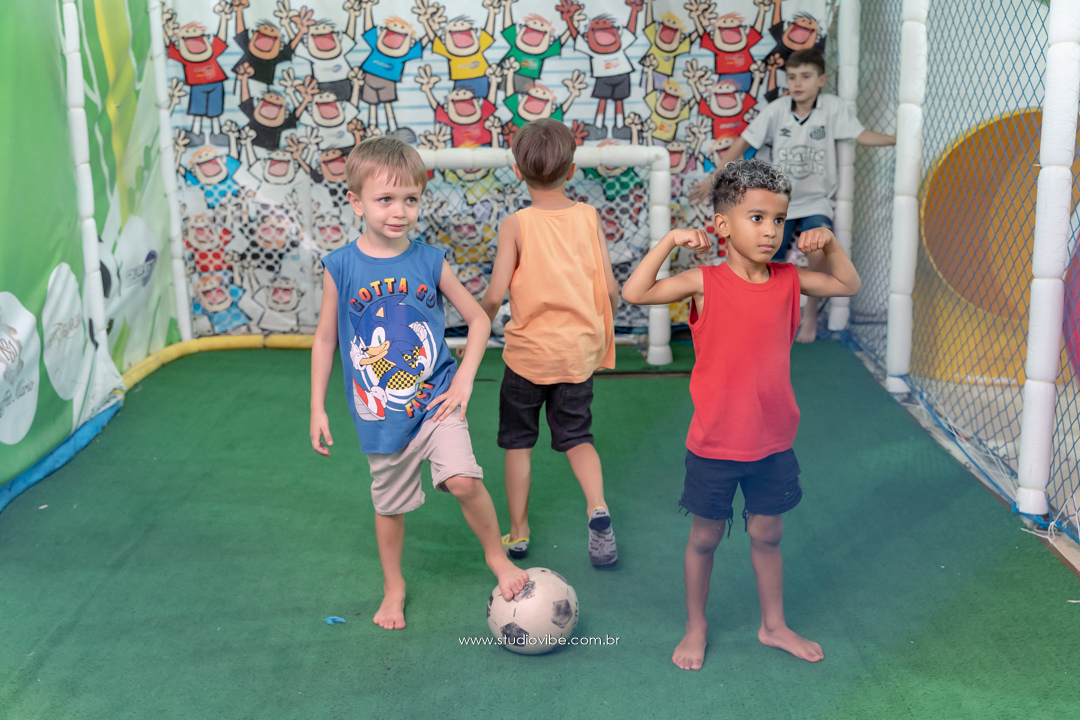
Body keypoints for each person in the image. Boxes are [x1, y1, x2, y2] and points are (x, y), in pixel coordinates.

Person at [621, 158, 861, 670]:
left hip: (773, 441)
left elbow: (847, 284)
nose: (771, 231)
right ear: (723, 225)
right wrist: (670, 241)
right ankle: (696, 626)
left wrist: (830, 244)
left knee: (767, 534)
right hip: (715, 442)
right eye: (757, 218)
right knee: (705, 537)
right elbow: (635, 292)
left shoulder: (791, 279)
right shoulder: (703, 281)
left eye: (779, 219)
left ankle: (773, 625)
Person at [309, 137, 528, 631]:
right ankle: (394, 587)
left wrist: (464, 381)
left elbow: (478, 320)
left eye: (410, 199)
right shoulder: (340, 266)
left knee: (463, 480)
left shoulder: (429, 260)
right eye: (385, 199)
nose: (399, 211)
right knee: (389, 506)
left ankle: (497, 558)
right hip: (381, 416)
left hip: (436, 400)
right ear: (356, 202)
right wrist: (317, 407)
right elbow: (325, 339)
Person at [479, 119, 620, 567]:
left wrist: (478, 328)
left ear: (517, 172)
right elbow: (610, 288)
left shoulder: (515, 225)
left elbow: (495, 294)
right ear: (572, 171)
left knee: (518, 442)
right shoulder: (588, 217)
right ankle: (597, 507)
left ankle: (518, 531)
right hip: (577, 354)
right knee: (578, 437)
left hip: (527, 357)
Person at [688, 48, 893, 342]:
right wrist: (714, 176)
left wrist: (898, 139)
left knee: (819, 247)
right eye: (792, 77)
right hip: (779, 203)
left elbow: (861, 135)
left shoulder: (832, 108)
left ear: (821, 80)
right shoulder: (777, 110)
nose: (798, 83)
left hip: (817, 201)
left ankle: (810, 316)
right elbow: (743, 142)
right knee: (765, 257)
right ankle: (762, 318)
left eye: (806, 76)